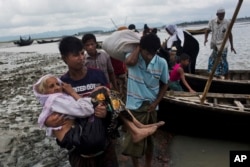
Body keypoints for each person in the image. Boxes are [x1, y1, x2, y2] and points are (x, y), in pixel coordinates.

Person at [44, 36, 119, 167]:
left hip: (105, 144)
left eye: (82, 53)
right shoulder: (62, 84)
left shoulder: (98, 75)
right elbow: (56, 113)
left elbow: (112, 102)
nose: (81, 57)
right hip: (80, 151)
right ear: (64, 58)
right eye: (75, 55)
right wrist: (48, 122)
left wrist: (106, 111)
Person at [33, 74, 163, 146]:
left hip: (82, 130)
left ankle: (136, 127)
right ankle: (136, 127)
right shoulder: (56, 99)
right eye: (51, 86)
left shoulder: (56, 99)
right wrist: (79, 95)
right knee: (104, 92)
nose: (57, 87)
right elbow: (85, 110)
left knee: (107, 94)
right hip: (80, 135)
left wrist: (93, 100)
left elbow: (78, 109)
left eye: (57, 84)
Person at [122, 33, 169, 167]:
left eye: (153, 53)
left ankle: (148, 164)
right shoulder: (133, 59)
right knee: (134, 140)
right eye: (147, 52)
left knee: (149, 140)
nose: (150, 56)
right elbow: (129, 62)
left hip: (150, 107)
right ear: (141, 48)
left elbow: (165, 83)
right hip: (133, 106)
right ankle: (136, 165)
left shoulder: (161, 62)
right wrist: (139, 46)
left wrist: (156, 103)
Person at [204, 7, 236, 79]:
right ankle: (213, 74)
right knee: (212, 59)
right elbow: (207, 31)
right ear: (217, 14)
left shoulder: (227, 22)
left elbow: (230, 34)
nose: (222, 16)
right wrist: (205, 39)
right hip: (215, 45)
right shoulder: (212, 21)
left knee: (222, 60)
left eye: (223, 15)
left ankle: (224, 75)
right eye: (220, 15)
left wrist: (232, 46)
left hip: (223, 45)